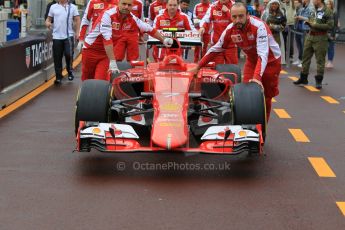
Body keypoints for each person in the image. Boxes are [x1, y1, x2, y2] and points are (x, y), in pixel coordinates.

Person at [191, 2, 281, 121]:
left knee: (266, 96)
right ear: (231, 17)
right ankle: (246, 123)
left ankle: (263, 127)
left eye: (241, 16)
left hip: (271, 62)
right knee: (246, 92)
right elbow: (216, 48)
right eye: (234, 17)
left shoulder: (259, 26)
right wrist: (198, 66)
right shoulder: (230, 29)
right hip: (252, 59)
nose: (237, 20)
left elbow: (263, 55)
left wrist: (257, 78)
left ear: (247, 15)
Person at [81, 0, 172, 81]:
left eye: (129, 5)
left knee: (100, 81)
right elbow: (107, 39)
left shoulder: (131, 17)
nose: (126, 7)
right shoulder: (107, 14)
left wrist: (164, 40)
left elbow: (148, 28)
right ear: (118, 3)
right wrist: (113, 61)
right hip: (91, 50)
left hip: (106, 54)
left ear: (132, 6)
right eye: (124, 4)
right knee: (87, 79)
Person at [293, 0, 333, 89]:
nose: (312, 1)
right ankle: (303, 78)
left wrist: (315, 25)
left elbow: (330, 26)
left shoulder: (328, 11)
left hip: (321, 38)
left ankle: (319, 80)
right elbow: (311, 19)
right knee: (305, 57)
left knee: (320, 60)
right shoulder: (313, 9)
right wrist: (308, 22)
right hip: (310, 36)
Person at [45, 0, 80, 84]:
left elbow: (77, 20)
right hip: (56, 36)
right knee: (57, 57)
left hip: (68, 36)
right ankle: (58, 76)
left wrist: (77, 32)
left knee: (69, 54)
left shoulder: (73, 7)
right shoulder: (53, 7)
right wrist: (47, 23)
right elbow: (48, 19)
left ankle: (69, 70)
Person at [199, 0, 238, 65]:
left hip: (231, 44)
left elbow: (238, 22)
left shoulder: (235, 6)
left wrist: (228, 12)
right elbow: (205, 19)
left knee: (233, 69)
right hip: (216, 45)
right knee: (216, 69)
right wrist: (202, 27)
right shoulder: (213, 6)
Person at [292, 0, 315, 67]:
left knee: (305, 46)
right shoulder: (302, 7)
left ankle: (304, 62)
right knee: (299, 45)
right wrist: (297, 16)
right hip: (298, 28)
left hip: (305, 29)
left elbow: (311, 19)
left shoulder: (311, 8)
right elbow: (297, 15)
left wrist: (301, 17)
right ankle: (300, 59)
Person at [325, 0, 339, 68]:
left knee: (330, 47)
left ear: (331, 5)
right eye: (326, 4)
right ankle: (326, 61)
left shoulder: (334, 13)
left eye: (328, 4)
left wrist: (333, 34)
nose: (327, 5)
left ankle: (330, 61)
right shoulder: (324, 12)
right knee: (324, 47)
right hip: (324, 32)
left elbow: (335, 25)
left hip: (331, 33)